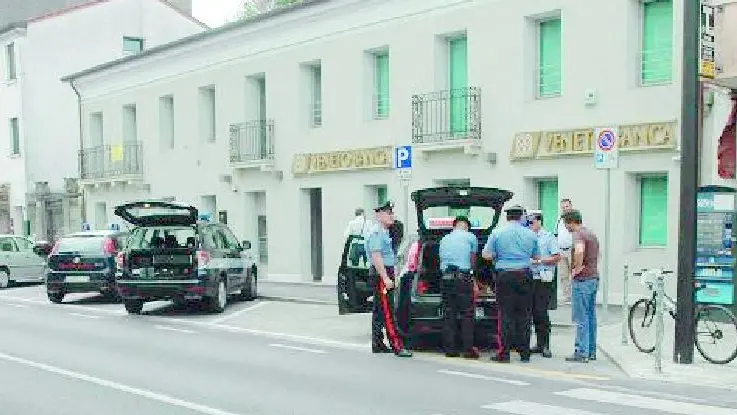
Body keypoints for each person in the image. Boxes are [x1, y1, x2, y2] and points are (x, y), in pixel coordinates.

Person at [482, 205, 540, 363]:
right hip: (525, 275)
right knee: (525, 315)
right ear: (521, 217)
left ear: (507, 217)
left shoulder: (497, 232)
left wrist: (498, 256)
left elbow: (486, 255)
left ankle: (504, 353)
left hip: (505, 276)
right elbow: (536, 256)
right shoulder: (531, 234)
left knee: (505, 315)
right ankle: (524, 353)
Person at [366, 200, 413, 358]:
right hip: (382, 273)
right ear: (379, 215)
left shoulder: (385, 232)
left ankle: (377, 343)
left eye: (392, 212)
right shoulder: (377, 233)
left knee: (379, 310)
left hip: (384, 272)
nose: (392, 216)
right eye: (388, 213)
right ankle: (397, 345)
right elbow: (376, 256)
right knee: (388, 311)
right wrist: (385, 278)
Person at [438, 216, 479, 359]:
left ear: (454, 226)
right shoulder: (471, 237)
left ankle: (450, 350)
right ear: (466, 226)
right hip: (462, 278)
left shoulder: (444, 239)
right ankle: (468, 349)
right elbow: (473, 260)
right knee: (467, 313)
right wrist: (473, 278)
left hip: (446, 278)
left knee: (449, 313)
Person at [561, 209, 599, 363]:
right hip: (593, 278)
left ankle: (581, 352)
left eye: (566, 224)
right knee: (591, 316)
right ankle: (591, 350)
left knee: (581, 317)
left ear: (571, 222)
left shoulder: (578, 235)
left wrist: (576, 269)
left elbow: (579, 251)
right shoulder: (591, 234)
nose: (566, 227)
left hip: (582, 280)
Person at [528, 210, 561, 358]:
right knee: (532, 312)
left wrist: (539, 261)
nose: (530, 225)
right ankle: (537, 344)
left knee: (541, 312)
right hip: (529, 277)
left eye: (532, 222)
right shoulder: (526, 236)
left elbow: (556, 257)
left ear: (539, 221)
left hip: (543, 278)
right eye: (528, 222)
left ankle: (546, 345)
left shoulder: (548, 237)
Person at [555, 199, 574, 304]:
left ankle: (575, 296)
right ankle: (567, 296)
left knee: (574, 274)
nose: (565, 209)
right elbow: (556, 233)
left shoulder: (575, 218)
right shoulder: (559, 219)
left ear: (570, 206)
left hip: (571, 249)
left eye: (566, 206)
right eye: (563, 207)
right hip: (561, 250)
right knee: (563, 275)